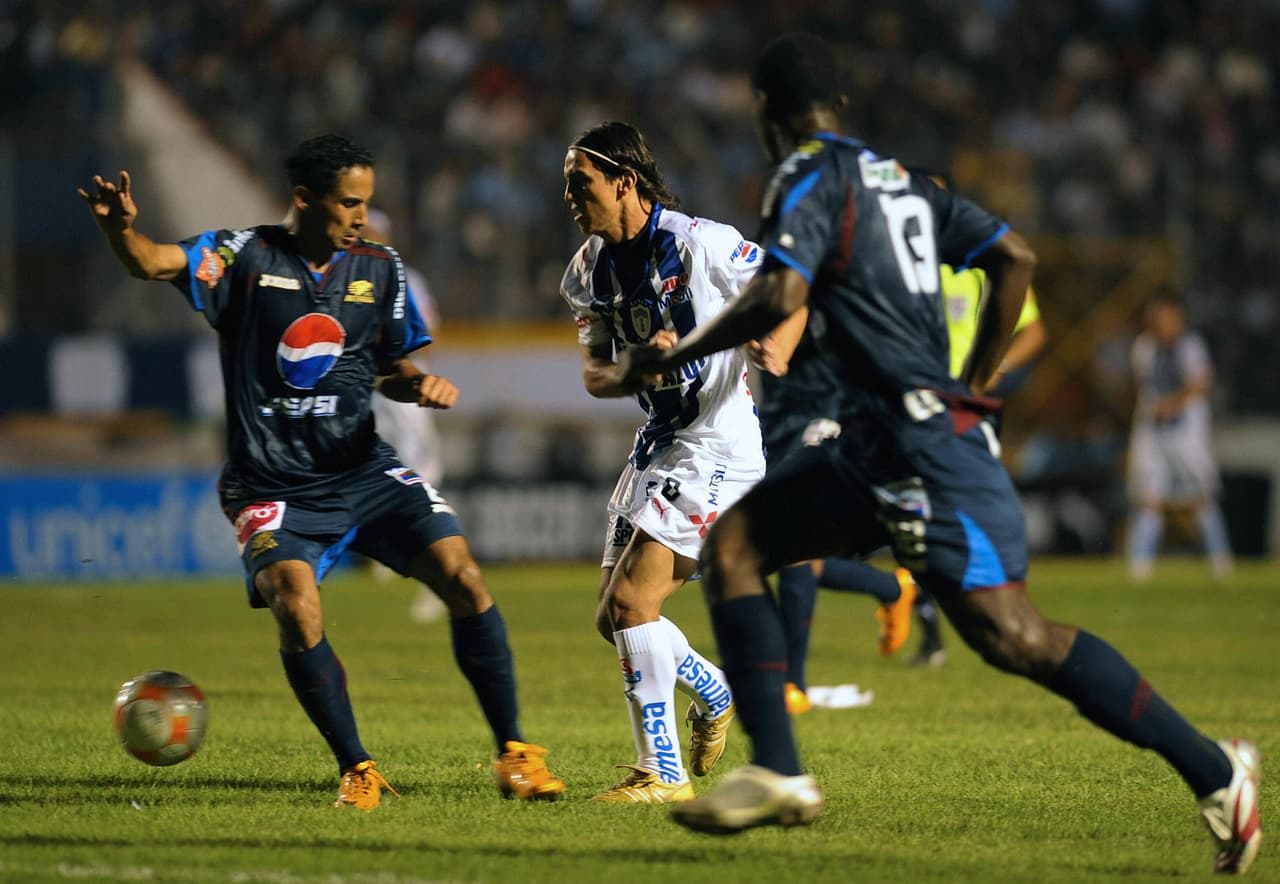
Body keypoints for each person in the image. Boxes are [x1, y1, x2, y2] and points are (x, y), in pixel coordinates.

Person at [618, 34, 1262, 876]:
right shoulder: (908, 186)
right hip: (885, 438)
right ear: (839, 109)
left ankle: (1219, 776)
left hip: (917, 444)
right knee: (738, 545)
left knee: (1015, 637)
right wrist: (976, 382)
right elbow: (1015, 258)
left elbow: (779, 293)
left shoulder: (805, 176)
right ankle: (777, 765)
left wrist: (670, 354)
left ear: (768, 116)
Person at [78, 134, 565, 810]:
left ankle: (515, 753)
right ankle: (357, 768)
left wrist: (417, 383)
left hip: (362, 469)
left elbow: (391, 367)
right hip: (272, 484)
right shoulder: (243, 257)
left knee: (464, 574)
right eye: (349, 203)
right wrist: (122, 232)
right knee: (295, 603)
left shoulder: (380, 267)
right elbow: (153, 263)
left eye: (366, 202)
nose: (362, 216)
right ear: (304, 199)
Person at [559, 120, 758, 803]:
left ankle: (661, 774)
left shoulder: (701, 242)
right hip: (663, 442)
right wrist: (634, 373)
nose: (569, 196)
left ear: (625, 181)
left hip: (718, 444)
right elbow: (595, 376)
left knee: (634, 602)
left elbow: (788, 286)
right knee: (611, 618)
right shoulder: (588, 269)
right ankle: (715, 689)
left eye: (579, 182)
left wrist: (780, 341)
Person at [360, 208, 449, 624]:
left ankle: (437, 564)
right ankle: (392, 546)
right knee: (380, 465)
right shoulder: (348, 275)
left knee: (421, 470)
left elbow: (426, 327)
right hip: (368, 385)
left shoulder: (404, 277)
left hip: (405, 382)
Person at [1126, 295, 1233, 582]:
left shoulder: (1190, 346)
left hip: (1186, 433)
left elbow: (1201, 383)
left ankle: (1221, 561)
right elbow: (1143, 387)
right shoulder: (1144, 347)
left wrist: (1172, 403)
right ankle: (1139, 567)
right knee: (1149, 496)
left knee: (1200, 496)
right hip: (1153, 431)